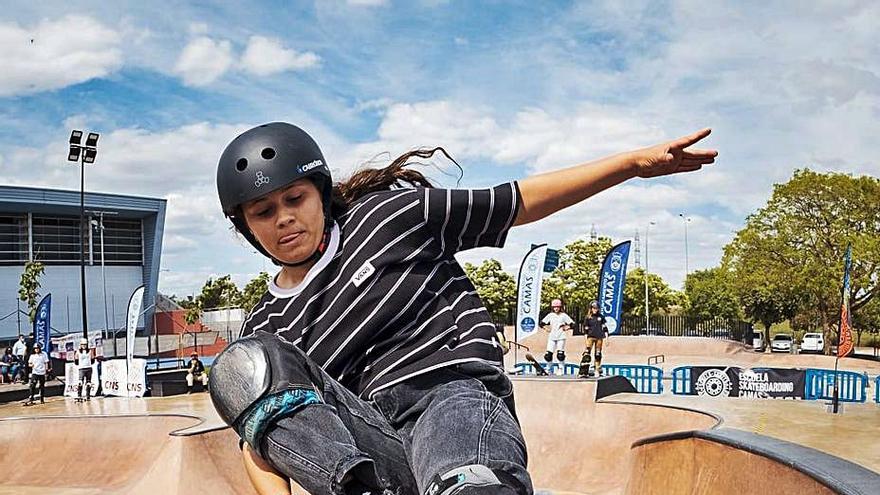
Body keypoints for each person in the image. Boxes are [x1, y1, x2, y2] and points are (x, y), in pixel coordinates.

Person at [208, 122, 716, 495]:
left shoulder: (390, 219)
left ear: (320, 193)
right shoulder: (268, 327)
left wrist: (629, 165)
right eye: (264, 212)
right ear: (247, 227)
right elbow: (262, 444)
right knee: (243, 367)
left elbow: (515, 201)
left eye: (295, 199)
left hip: (449, 400)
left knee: (468, 483)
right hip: (368, 451)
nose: (285, 220)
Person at [540, 299, 574, 367]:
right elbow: (541, 323)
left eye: (557, 307)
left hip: (561, 336)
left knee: (560, 355)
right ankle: (548, 368)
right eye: (555, 307)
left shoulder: (563, 315)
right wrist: (546, 328)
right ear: (552, 308)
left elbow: (572, 324)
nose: (556, 309)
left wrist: (567, 327)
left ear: (560, 307)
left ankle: (560, 368)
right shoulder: (550, 315)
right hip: (552, 336)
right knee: (548, 355)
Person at [579, 301, 608, 377]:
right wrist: (586, 340)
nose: (595, 310)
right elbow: (585, 330)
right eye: (593, 308)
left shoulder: (601, 317)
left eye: (596, 308)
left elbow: (605, 328)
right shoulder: (588, 317)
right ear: (591, 309)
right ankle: (583, 371)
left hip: (599, 337)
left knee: (598, 354)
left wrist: (607, 338)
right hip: (590, 337)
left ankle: (597, 369)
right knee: (587, 353)